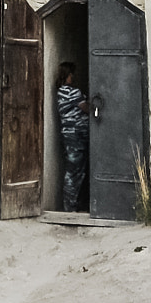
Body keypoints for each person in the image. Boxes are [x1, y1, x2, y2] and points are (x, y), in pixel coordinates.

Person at [55, 61, 89, 213]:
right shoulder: (72, 92)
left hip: (68, 135)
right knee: (75, 172)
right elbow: (86, 108)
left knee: (73, 170)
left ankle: (71, 204)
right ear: (67, 75)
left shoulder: (60, 91)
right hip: (76, 136)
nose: (73, 77)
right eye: (71, 74)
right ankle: (70, 207)